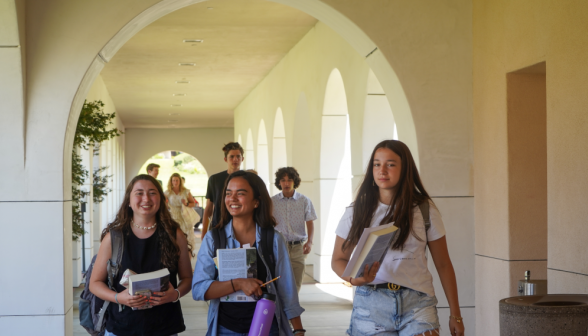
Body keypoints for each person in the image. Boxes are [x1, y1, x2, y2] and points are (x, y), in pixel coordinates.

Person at [331, 140, 465, 336]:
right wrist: (354, 278)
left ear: (405, 169)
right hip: (371, 303)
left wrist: (456, 314)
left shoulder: (424, 209)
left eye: (390, 164)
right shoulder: (357, 211)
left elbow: (443, 264)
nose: (382, 170)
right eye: (377, 164)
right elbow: (338, 260)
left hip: (418, 304)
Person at [192, 171, 306, 336]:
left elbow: (287, 289)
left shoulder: (273, 239)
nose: (233, 198)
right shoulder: (213, 239)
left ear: (256, 202)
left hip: (267, 327)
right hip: (226, 329)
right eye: (228, 193)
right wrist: (238, 284)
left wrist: (298, 329)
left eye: (241, 193)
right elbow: (198, 289)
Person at [89, 174, 193, 336]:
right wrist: (118, 297)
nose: (146, 198)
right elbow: (94, 283)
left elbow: (187, 279)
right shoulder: (114, 237)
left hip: (164, 326)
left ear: (161, 199)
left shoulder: (174, 235)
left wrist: (175, 294)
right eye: (139, 193)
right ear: (129, 201)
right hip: (121, 327)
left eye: (152, 193)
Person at [271, 167, 317, 293]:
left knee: (296, 284)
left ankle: (292, 311)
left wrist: (310, 242)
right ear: (279, 182)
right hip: (279, 247)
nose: (286, 183)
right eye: (283, 180)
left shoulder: (304, 200)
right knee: (279, 282)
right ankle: (281, 310)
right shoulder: (272, 202)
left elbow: (310, 222)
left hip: (298, 248)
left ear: (294, 181)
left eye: (290, 180)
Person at [201, 142, 244, 239]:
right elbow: (209, 207)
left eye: (238, 156)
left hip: (242, 226)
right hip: (219, 225)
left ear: (242, 159)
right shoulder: (214, 179)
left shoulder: (248, 178)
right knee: (219, 253)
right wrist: (204, 231)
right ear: (225, 159)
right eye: (231, 157)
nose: (235, 159)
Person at [165, 173, 197, 263]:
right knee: (174, 241)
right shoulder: (167, 192)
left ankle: (188, 264)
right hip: (173, 218)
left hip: (185, 218)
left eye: (177, 180)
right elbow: (163, 205)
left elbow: (193, 203)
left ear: (180, 181)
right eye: (173, 180)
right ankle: (176, 263)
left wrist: (186, 203)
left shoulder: (186, 191)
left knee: (188, 242)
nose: (175, 182)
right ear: (171, 181)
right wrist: (166, 206)